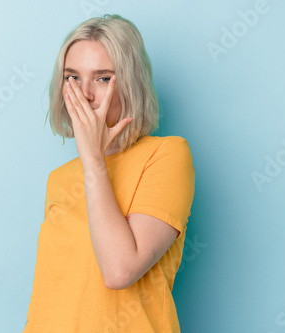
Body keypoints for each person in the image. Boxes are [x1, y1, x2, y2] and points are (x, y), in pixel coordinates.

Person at [23, 14, 195, 332]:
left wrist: (93, 161)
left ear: (131, 85)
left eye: (103, 78)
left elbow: (119, 271)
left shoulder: (166, 155)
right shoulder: (59, 180)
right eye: (72, 77)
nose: (85, 94)